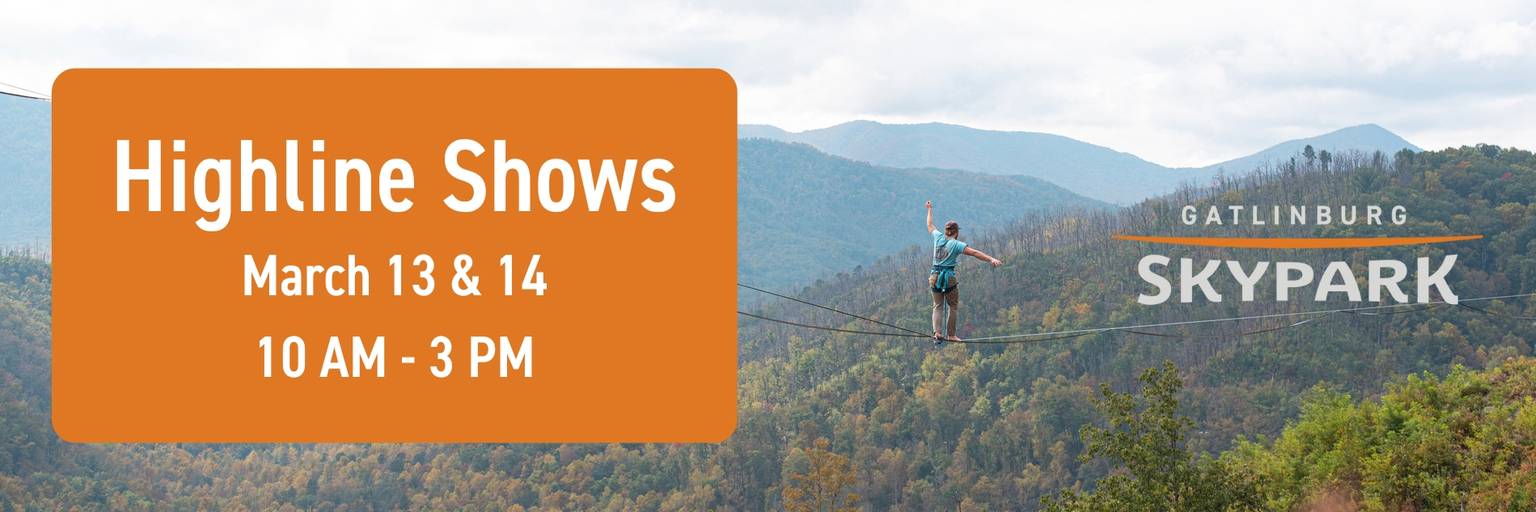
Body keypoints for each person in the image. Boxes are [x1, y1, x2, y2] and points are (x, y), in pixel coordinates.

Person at [926, 200, 1002, 345]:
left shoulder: (938, 237)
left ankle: (937, 333)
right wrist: (991, 259)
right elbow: (974, 253)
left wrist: (929, 209)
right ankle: (951, 335)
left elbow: (930, 225)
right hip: (948, 277)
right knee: (952, 306)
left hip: (934, 276)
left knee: (937, 306)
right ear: (956, 232)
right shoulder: (956, 244)